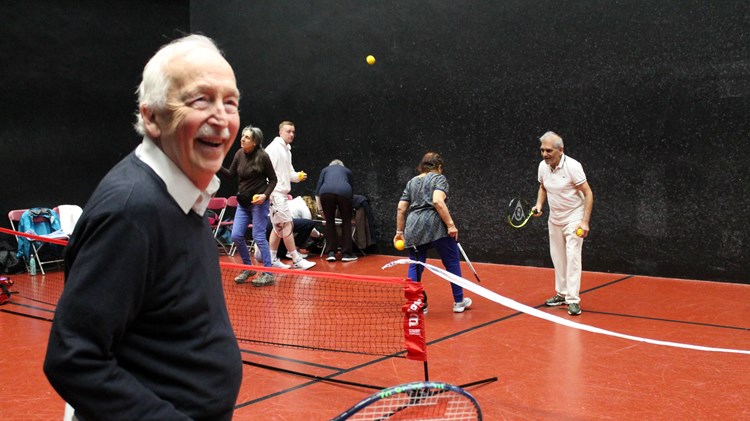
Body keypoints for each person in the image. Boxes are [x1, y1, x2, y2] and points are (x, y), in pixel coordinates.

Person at [43, 34, 242, 420]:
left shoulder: (184, 193)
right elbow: (73, 358)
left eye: (230, 101)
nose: (221, 117)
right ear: (151, 117)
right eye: (201, 100)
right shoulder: (133, 211)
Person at [394, 152, 472, 314]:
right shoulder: (439, 178)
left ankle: (417, 303)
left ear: (421, 166)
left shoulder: (411, 182)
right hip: (435, 224)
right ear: (439, 167)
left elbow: (401, 208)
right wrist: (451, 225)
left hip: (413, 225)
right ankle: (459, 302)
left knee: (415, 264)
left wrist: (399, 231)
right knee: (451, 262)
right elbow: (437, 200)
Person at [532, 131, 594, 316]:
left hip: (574, 219)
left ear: (561, 150)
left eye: (549, 150)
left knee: (573, 257)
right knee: (558, 258)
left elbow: (588, 193)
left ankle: (573, 300)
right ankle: (562, 293)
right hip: (555, 219)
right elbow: (543, 186)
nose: (544, 154)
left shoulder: (573, 167)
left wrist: (584, 221)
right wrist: (539, 204)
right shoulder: (543, 166)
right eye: (542, 150)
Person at [219, 125, 277, 286]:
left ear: (255, 141)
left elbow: (273, 179)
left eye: (247, 137)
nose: (242, 139)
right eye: (242, 136)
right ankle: (248, 267)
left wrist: (264, 195)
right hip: (243, 203)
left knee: (258, 236)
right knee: (236, 235)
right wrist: (216, 165)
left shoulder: (263, 157)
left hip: (258, 202)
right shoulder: (239, 154)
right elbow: (231, 175)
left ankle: (268, 273)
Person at [265, 120, 316, 270]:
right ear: (280, 132)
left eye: (293, 132)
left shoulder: (287, 150)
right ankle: (296, 259)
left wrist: (297, 177)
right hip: (275, 194)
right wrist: (268, 193)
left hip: (281, 194)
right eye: (288, 131)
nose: (291, 134)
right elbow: (265, 172)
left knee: (278, 228)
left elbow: (289, 173)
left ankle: (272, 258)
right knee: (287, 225)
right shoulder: (273, 148)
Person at [316, 159, 357, 262]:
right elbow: (351, 190)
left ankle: (330, 253)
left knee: (329, 222)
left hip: (326, 193)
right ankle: (347, 254)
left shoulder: (325, 170)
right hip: (345, 193)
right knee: (346, 222)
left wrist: (320, 209)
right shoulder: (347, 171)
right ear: (342, 166)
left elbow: (317, 192)